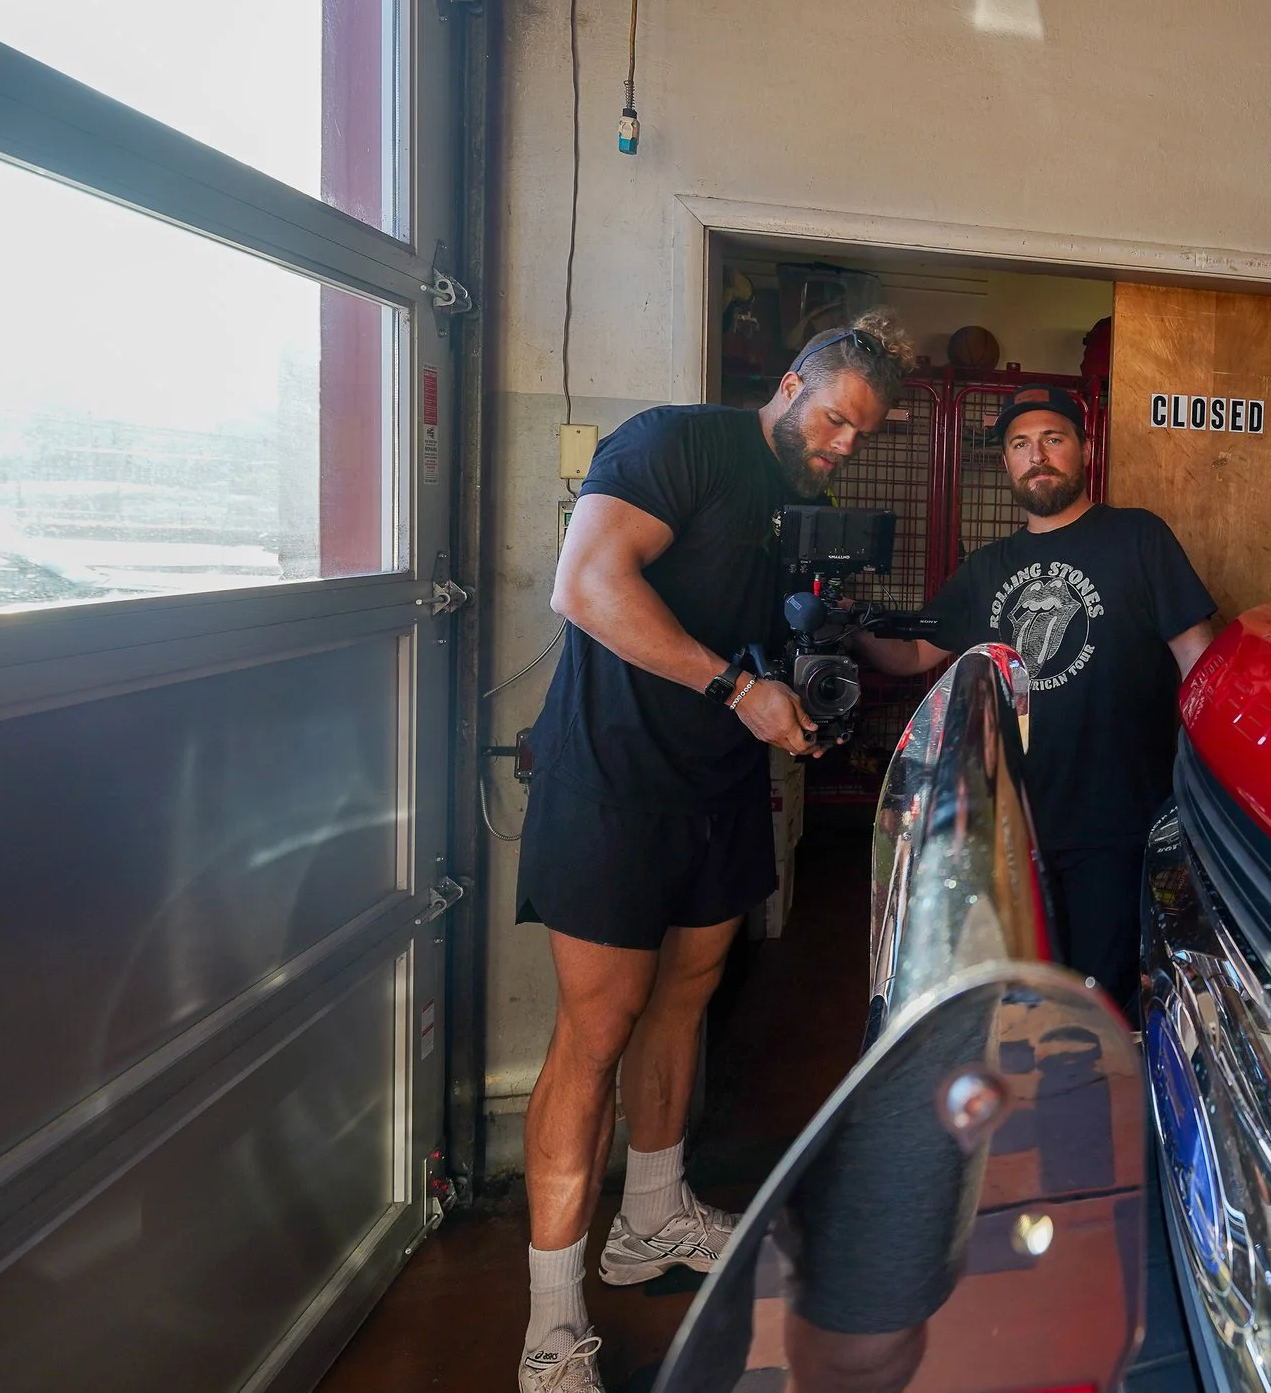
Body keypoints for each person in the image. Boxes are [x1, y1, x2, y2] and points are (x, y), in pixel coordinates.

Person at [513, 316, 914, 1393]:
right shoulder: (672, 443)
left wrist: (851, 668)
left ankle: (649, 1216)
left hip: (719, 785)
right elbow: (587, 584)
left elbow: (793, 639)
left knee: (688, 995)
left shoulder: (809, 511)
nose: (840, 446)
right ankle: (551, 1323)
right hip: (611, 778)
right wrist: (740, 690)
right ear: (789, 385)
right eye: (833, 419)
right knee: (594, 1033)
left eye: (859, 435)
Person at [857, 385, 1217, 1008]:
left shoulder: (1138, 538)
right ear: (1006, 463)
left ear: (1083, 449)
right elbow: (916, 654)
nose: (1037, 455)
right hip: (1012, 827)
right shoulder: (986, 567)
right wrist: (850, 624)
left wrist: (1206, 791)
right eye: (1020, 445)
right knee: (1022, 1003)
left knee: (1101, 1001)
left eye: (1053, 439)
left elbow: (1201, 663)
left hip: (1118, 820)